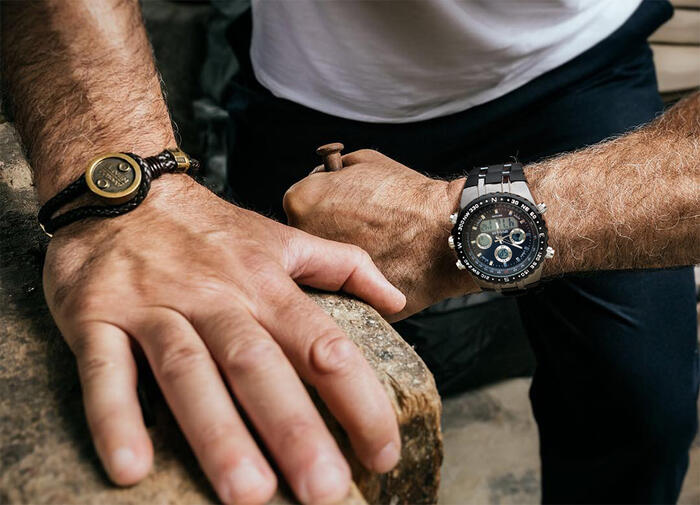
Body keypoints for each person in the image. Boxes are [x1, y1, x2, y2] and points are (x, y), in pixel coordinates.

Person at [2, 1, 697, 505]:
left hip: (579, 72)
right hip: (316, 93)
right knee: (279, 404)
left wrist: (439, 225)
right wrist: (122, 180)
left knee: (646, 404)